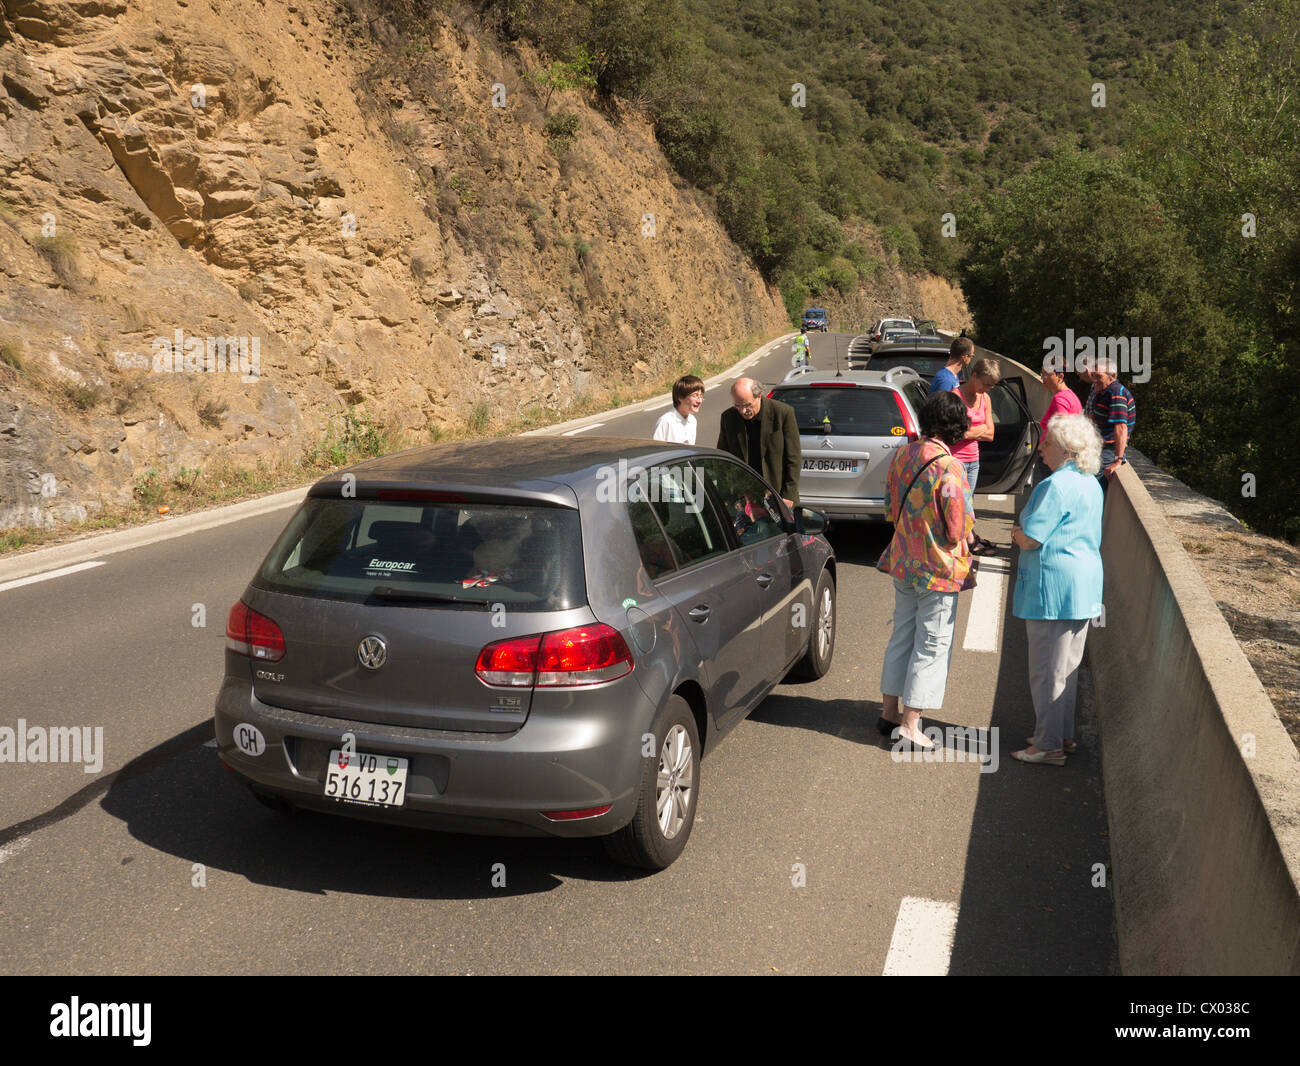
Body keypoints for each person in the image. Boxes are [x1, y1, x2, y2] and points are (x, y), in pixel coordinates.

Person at [876, 390, 976, 751]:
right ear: (956, 426)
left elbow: (889, 508)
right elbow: (956, 528)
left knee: (902, 633)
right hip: (937, 568)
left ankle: (888, 711)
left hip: (902, 560)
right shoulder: (949, 467)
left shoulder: (903, 454)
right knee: (931, 643)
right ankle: (910, 724)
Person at [1009, 413, 1105, 765]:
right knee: (1066, 667)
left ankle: (1047, 745)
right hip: (1083, 584)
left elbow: (1032, 538)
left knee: (1047, 668)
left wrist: (1016, 535)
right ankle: (1060, 734)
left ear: (1065, 450)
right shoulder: (1090, 482)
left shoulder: (1055, 486)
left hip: (1054, 586)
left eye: (1047, 443)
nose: (1041, 449)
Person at [717, 377, 801, 508]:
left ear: (759, 396)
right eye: (737, 406)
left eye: (747, 405)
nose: (743, 411)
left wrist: (788, 495)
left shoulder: (782, 413)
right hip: (744, 498)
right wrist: (726, 495)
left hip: (777, 495)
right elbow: (722, 458)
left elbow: (793, 458)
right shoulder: (728, 418)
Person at [951, 357, 999, 554]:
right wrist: (979, 430)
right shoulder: (955, 397)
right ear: (974, 375)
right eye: (985, 384)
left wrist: (970, 431)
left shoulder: (985, 399)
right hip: (955, 459)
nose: (987, 389)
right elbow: (954, 433)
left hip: (973, 459)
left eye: (991, 386)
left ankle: (966, 538)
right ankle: (969, 540)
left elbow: (991, 434)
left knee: (967, 503)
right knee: (959, 503)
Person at [1031, 354, 1083, 484]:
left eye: (1047, 374)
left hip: (1052, 458)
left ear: (1060, 376)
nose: (1043, 378)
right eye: (1042, 374)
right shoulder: (1071, 396)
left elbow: (1062, 431)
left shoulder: (1060, 399)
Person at [1087, 356, 1135, 490]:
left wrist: (1118, 460)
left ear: (1112, 376)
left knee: (1093, 491)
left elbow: (1121, 427)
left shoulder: (1116, 393)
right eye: (1093, 375)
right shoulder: (1103, 392)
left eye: (1098, 376)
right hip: (1099, 450)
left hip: (1107, 453)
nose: (1094, 380)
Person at [652, 374, 704, 444]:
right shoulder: (666, 421)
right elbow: (656, 450)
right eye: (695, 395)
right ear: (680, 397)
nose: (699, 401)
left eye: (701, 396)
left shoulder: (692, 421)